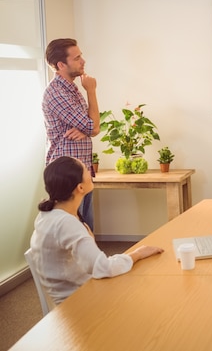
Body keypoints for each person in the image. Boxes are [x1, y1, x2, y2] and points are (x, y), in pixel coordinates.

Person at [30, 156, 164, 305]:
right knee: (144, 292)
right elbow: (103, 267)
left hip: (76, 293)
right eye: (86, 169)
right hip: (77, 304)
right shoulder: (66, 223)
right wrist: (138, 254)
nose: (90, 170)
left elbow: (94, 263)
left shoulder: (47, 215)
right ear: (80, 187)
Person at [42, 38, 99, 231]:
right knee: (75, 232)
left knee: (86, 228)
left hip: (81, 170)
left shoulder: (72, 89)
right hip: (67, 176)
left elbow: (93, 127)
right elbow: (93, 127)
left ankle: (93, 262)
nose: (83, 61)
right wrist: (91, 91)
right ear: (61, 65)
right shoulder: (57, 93)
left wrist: (87, 129)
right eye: (77, 58)